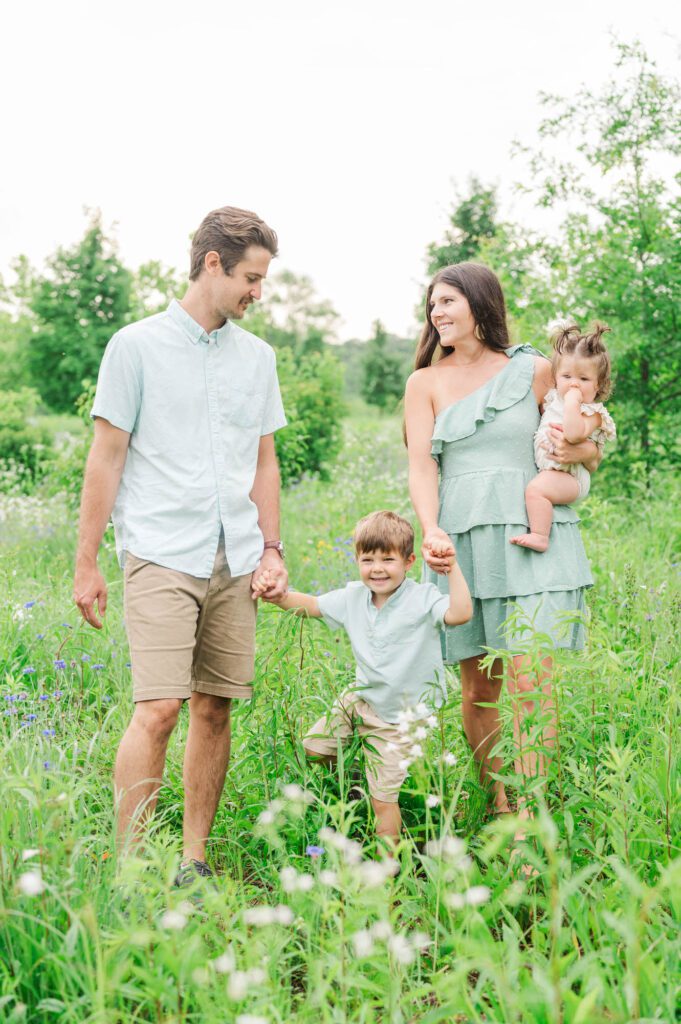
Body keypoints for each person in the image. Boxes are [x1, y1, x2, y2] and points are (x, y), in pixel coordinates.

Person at [73, 206, 289, 885]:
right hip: (162, 548)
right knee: (159, 707)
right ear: (213, 263)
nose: (258, 292)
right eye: (251, 278)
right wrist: (85, 563)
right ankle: (130, 869)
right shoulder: (134, 346)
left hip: (236, 551)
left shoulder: (257, 358)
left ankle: (192, 861)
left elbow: (265, 464)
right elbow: (106, 458)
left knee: (214, 705)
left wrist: (273, 548)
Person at [404, 262, 602, 849]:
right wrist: (431, 527)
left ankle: (534, 819)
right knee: (479, 689)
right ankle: (500, 806)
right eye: (433, 305)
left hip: (535, 538)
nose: (438, 313)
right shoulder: (425, 384)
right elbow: (422, 466)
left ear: (480, 304)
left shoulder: (535, 369)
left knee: (531, 678)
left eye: (448, 302)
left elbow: (578, 445)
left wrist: (585, 452)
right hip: (462, 541)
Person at [253, 510, 472, 846]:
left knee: (383, 801)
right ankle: (356, 783)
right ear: (357, 560)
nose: (377, 568)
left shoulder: (421, 598)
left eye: (388, 559)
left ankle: (388, 866)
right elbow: (310, 605)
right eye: (367, 559)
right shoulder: (354, 597)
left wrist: (452, 568)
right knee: (314, 747)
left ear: (410, 561)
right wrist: (278, 596)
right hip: (361, 700)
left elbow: (460, 614)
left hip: (402, 716)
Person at [510, 320, 616, 552]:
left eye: (584, 379)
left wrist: (572, 402)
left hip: (572, 478)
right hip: (554, 470)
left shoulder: (593, 413)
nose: (574, 384)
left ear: (598, 386)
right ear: (556, 377)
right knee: (535, 487)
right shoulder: (551, 400)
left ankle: (540, 536)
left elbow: (574, 434)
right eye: (566, 376)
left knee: (536, 490)